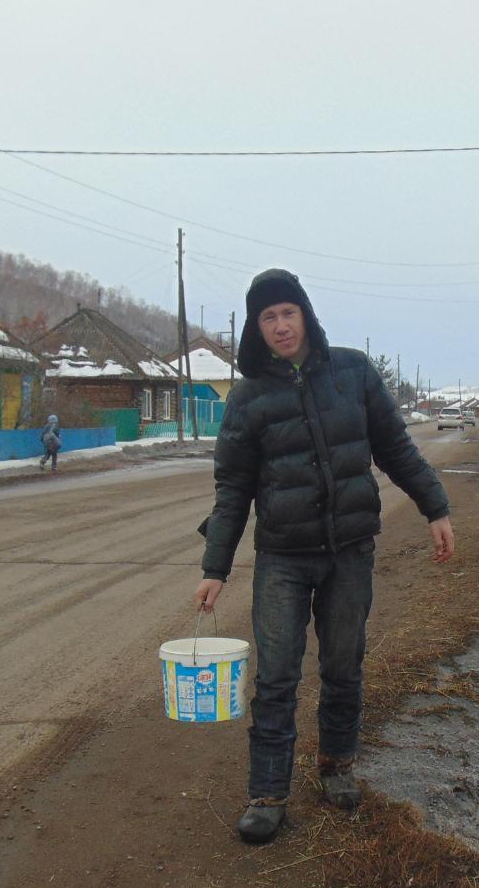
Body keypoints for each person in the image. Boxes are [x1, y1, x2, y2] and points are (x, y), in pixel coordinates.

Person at [194, 268, 454, 844]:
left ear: (305, 314)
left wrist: (435, 508)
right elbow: (232, 490)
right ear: (256, 328)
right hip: (283, 559)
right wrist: (215, 569)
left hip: (349, 553)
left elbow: (396, 448)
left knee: (342, 665)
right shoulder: (248, 398)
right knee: (278, 677)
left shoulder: (353, 374)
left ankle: (337, 764)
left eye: (288, 312)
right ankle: (267, 794)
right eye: (268, 317)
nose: (281, 326)